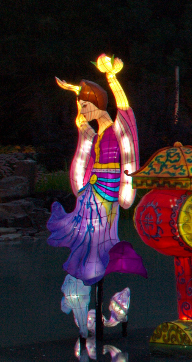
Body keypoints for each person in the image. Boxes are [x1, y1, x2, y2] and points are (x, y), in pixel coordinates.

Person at [49, 56, 141, 297]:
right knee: (88, 232)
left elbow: (124, 107)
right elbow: (82, 127)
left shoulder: (116, 127)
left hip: (108, 188)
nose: (82, 112)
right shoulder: (97, 132)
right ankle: (90, 268)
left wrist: (111, 77)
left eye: (85, 106)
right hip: (93, 186)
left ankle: (98, 267)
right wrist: (76, 90)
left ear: (97, 103)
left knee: (102, 231)